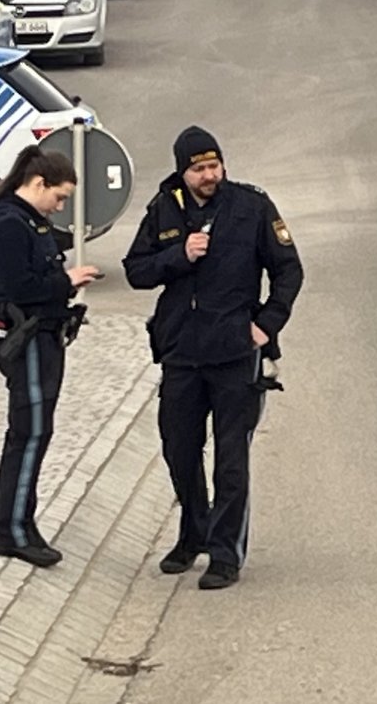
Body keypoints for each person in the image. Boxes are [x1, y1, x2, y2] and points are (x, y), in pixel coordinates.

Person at [124, 126, 303, 591]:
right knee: (179, 448)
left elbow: (289, 269)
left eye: (214, 166)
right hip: (182, 351)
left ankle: (225, 554)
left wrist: (267, 323)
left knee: (230, 459)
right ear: (183, 171)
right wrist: (177, 256)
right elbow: (136, 271)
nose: (209, 176)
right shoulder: (164, 208)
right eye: (199, 169)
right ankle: (193, 532)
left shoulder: (250, 206)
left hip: (234, 353)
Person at [0, 145, 101, 568]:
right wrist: (67, 281)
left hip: (43, 338)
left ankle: (23, 523)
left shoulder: (28, 221)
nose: (60, 205)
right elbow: (21, 288)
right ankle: (11, 530)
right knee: (27, 434)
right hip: (25, 339)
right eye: (59, 196)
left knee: (37, 432)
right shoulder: (10, 224)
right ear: (37, 183)